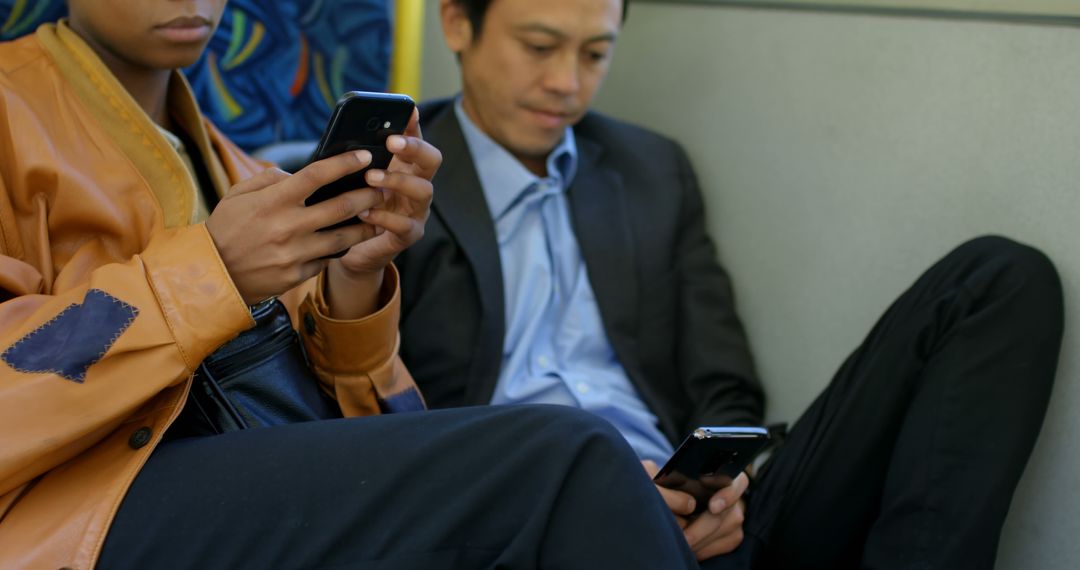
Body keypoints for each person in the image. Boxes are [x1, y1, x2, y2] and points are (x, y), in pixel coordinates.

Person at [0, 1, 701, 568]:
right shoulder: (11, 110)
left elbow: (366, 411)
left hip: (224, 465)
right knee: (570, 454)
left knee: (593, 478)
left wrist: (352, 278)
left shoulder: (229, 163)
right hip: (70, 503)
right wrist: (212, 273)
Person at [394, 0, 1066, 567]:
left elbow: (724, 385)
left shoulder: (652, 170)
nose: (568, 83)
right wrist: (580, 499)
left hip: (700, 530)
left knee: (1001, 279)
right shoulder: (398, 181)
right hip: (529, 529)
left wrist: (720, 484)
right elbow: (375, 425)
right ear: (455, 22)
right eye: (539, 47)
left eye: (596, 54)